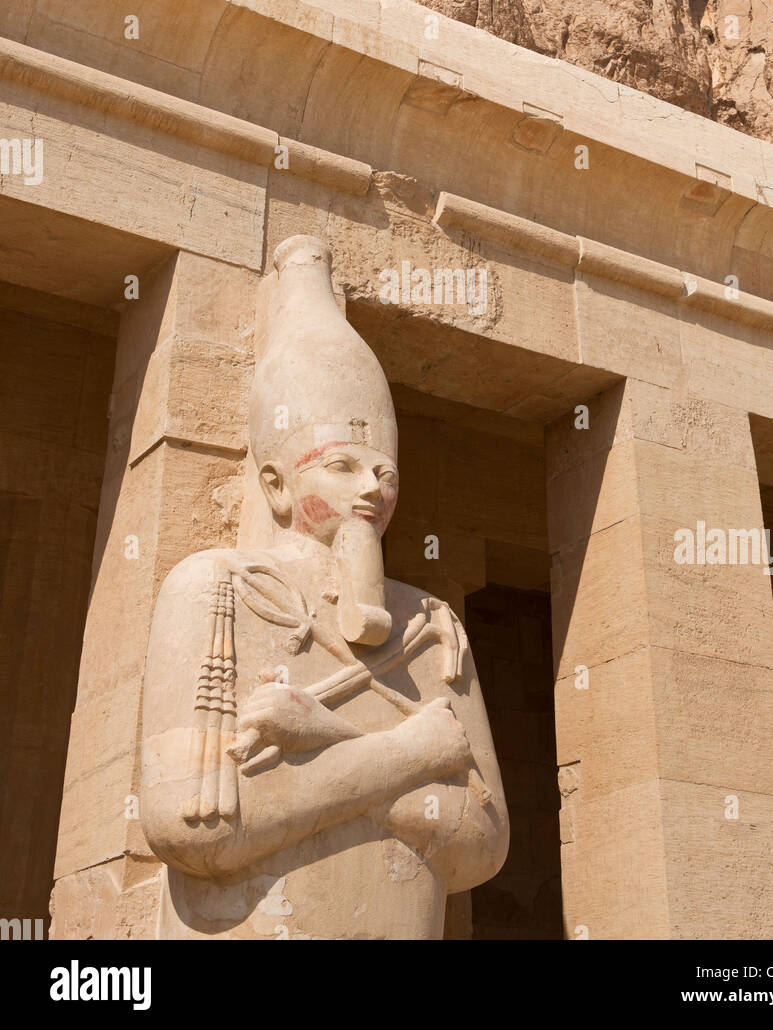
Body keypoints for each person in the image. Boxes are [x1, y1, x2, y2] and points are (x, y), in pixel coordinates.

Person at [141, 235, 508, 939]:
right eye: (342, 465)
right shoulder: (213, 588)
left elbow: (479, 843)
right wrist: (412, 754)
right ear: (276, 485)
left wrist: (320, 738)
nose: (372, 486)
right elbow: (196, 825)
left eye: (385, 472)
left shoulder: (428, 622)